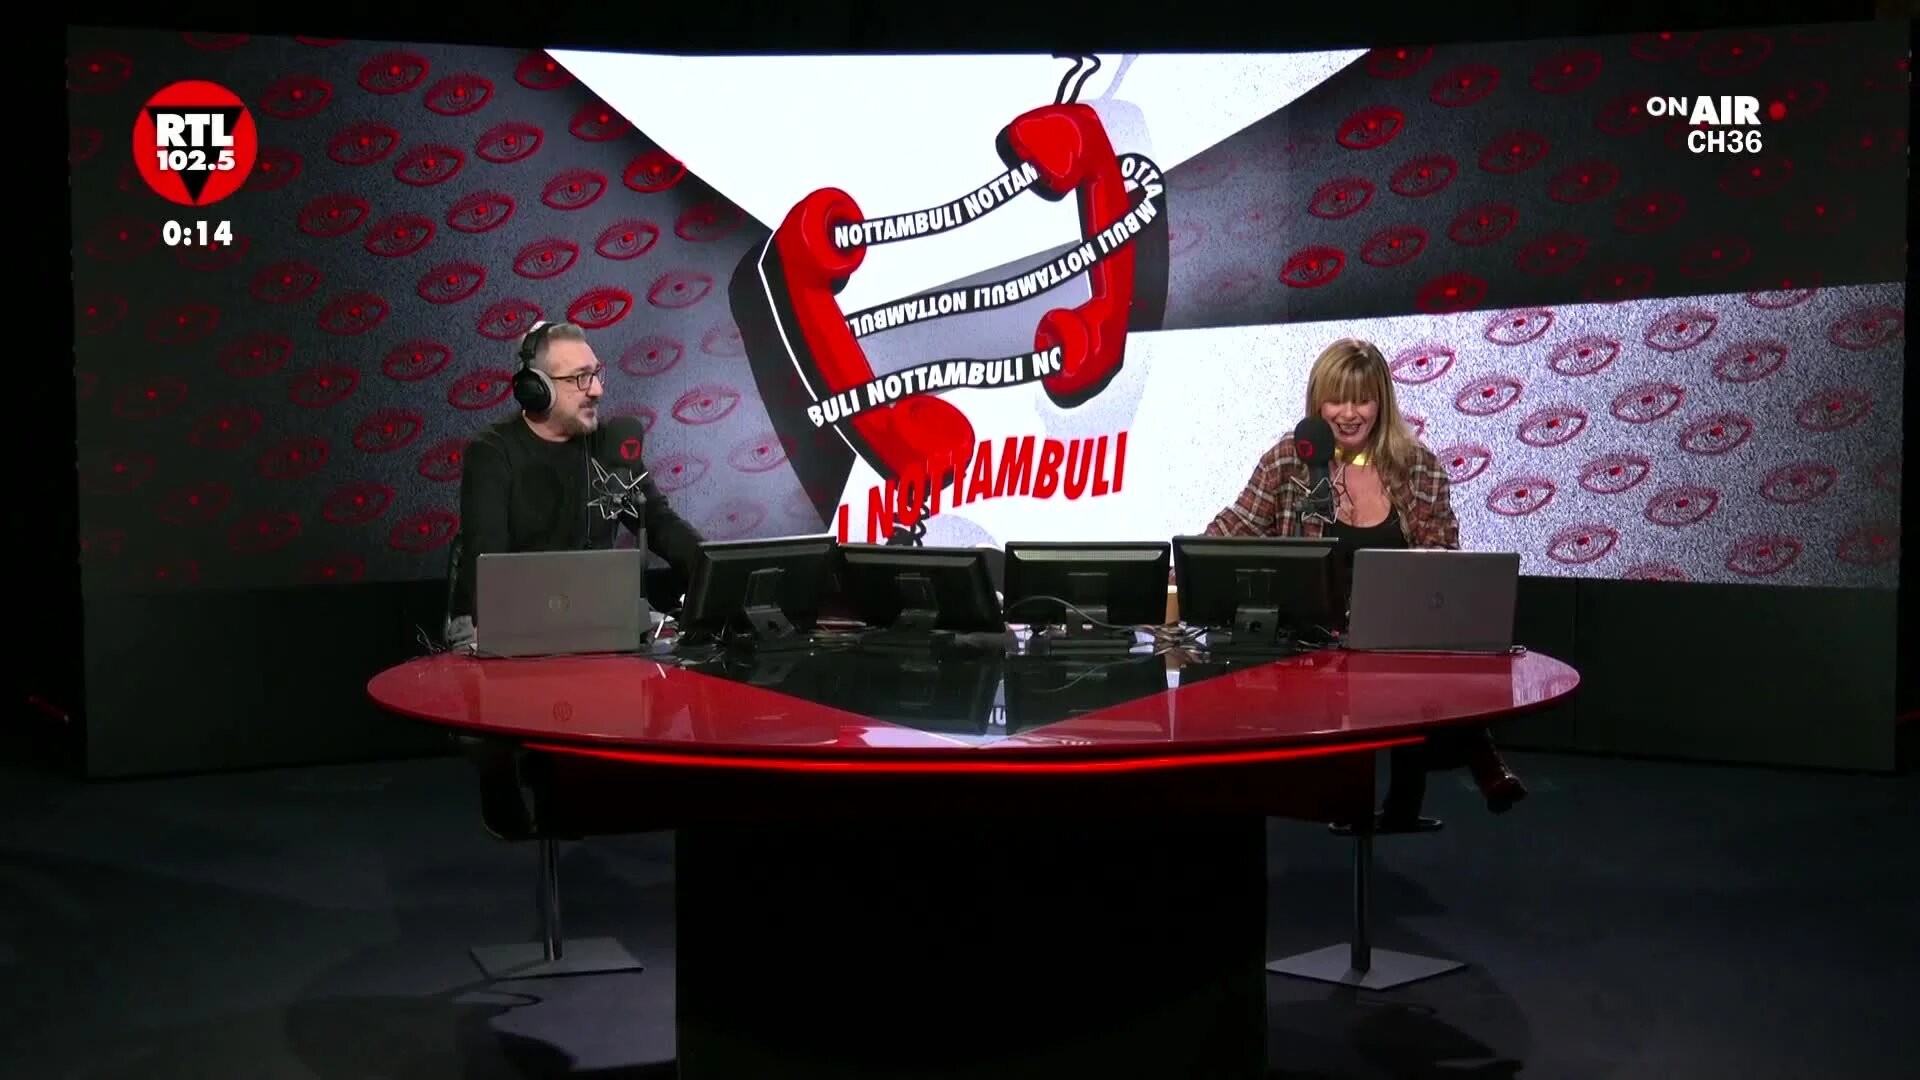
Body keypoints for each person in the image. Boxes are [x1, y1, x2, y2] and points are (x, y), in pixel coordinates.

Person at [1201, 337, 1526, 832]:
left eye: (1362, 400)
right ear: (1318, 402)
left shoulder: (1417, 466)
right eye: (1336, 400)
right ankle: (1474, 766)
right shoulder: (1289, 461)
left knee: (1428, 652)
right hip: (1312, 638)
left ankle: (1425, 786)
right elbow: (1233, 529)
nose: (1349, 414)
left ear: (1382, 403)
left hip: (1395, 634)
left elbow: (1444, 557)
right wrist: (1181, 569)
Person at [444, 320, 705, 649]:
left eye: (596, 374)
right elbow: (489, 564)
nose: (596, 390)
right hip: (498, 619)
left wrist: (715, 571)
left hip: (595, 611)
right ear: (536, 388)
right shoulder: (492, 452)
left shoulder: (609, 444)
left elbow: (659, 522)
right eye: (580, 378)